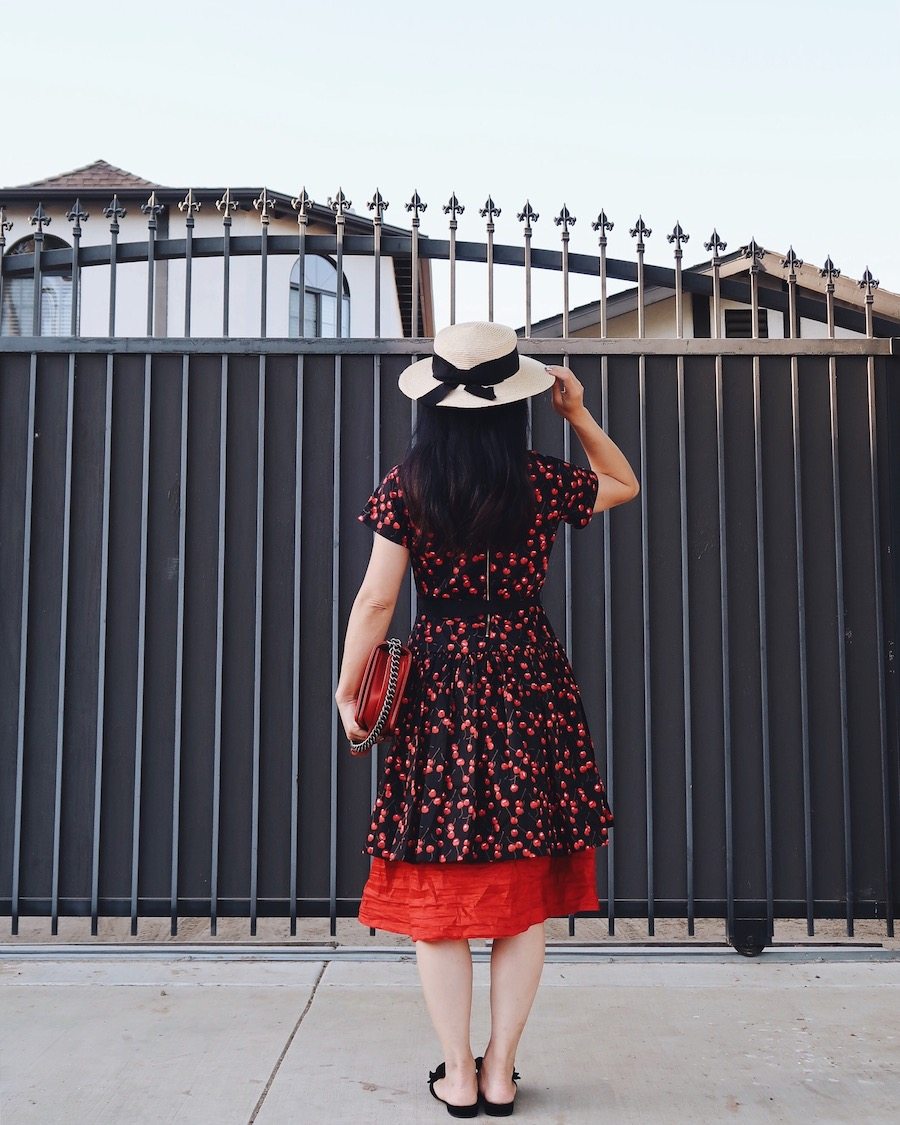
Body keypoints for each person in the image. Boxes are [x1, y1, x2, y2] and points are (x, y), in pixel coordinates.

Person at [335, 321, 639, 1118]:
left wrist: (348, 688)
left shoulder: (409, 483)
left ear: (433, 402)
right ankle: (502, 1070)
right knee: (521, 882)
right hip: (524, 673)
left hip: (440, 685)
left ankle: (458, 1076)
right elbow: (623, 484)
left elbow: (376, 599)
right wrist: (577, 414)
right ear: (516, 402)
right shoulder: (537, 480)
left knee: (438, 886)